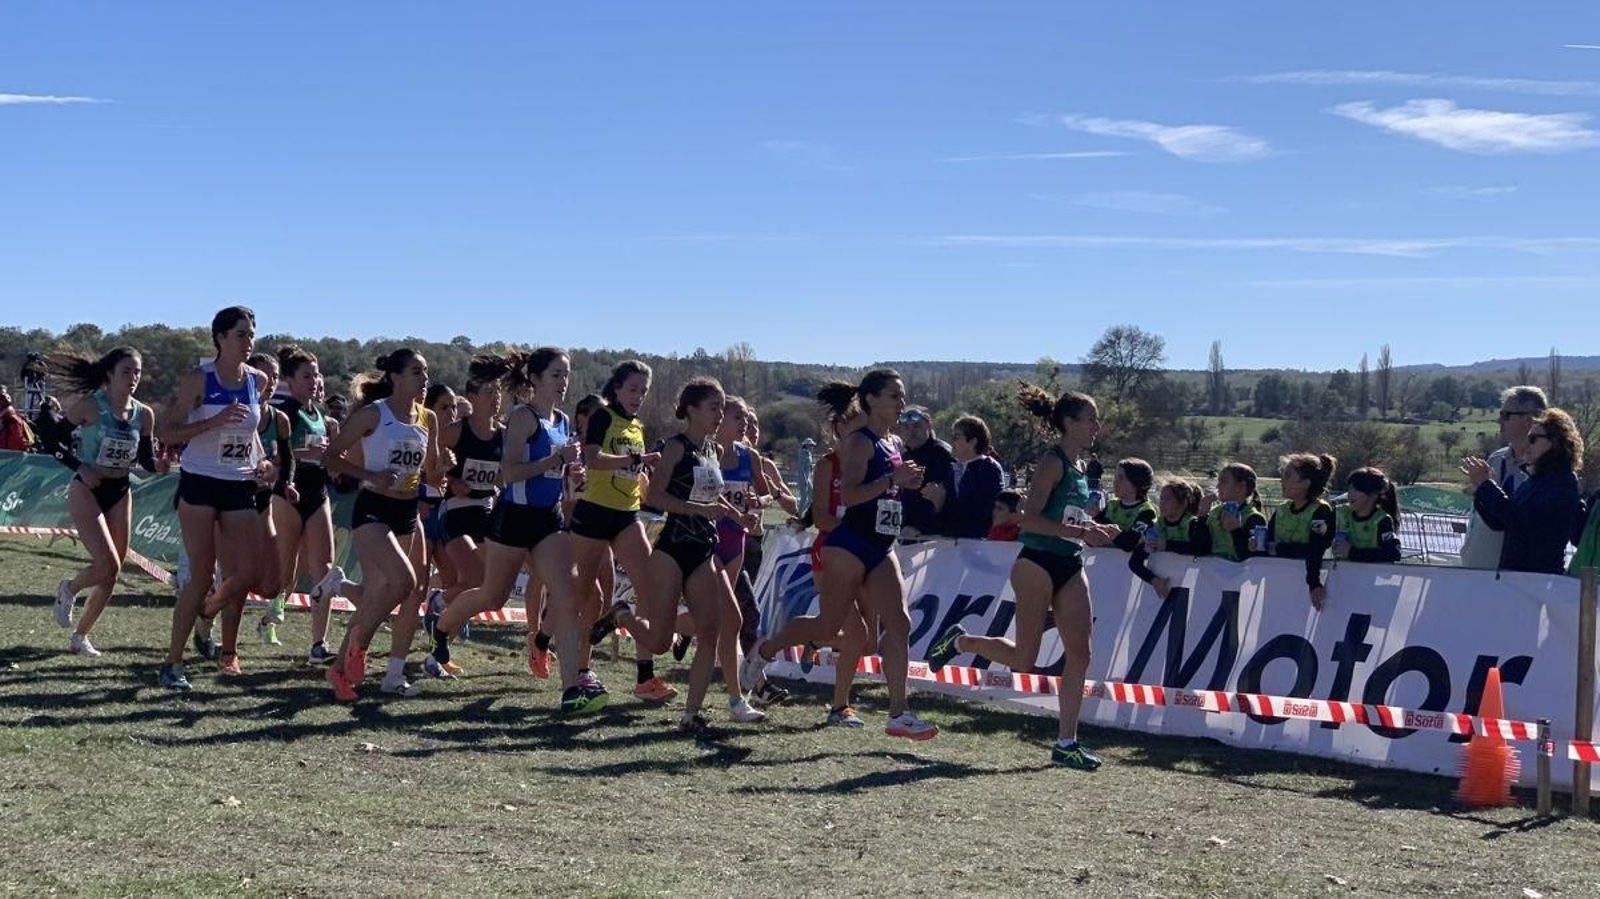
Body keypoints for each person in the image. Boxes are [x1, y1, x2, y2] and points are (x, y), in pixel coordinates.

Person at [741, 370, 940, 742]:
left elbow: (887, 493)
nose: (901, 402)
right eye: (894, 396)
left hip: (880, 545)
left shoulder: (894, 442)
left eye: (902, 395)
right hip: (846, 544)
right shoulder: (859, 444)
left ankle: (899, 713)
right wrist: (891, 482)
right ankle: (765, 649)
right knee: (830, 626)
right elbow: (849, 495)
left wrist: (910, 485)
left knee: (899, 623)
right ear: (871, 401)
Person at [927, 385, 1118, 769]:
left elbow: (1065, 519)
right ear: (1069, 423)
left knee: (1080, 653)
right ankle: (962, 641)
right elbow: (1027, 519)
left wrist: (1094, 528)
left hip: (1069, 563)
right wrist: (1082, 532)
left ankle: (1067, 742)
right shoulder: (1053, 461)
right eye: (1091, 418)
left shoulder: (1081, 467)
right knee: (1024, 659)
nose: (1097, 425)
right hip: (1035, 563)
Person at [609, 378, 764, 729]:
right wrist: (695, 509)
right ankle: (622, 615)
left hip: (703, 551)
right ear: (691, 410)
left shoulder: (715, 451)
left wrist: (737, 514)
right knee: (661, 642)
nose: (719, 414)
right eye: (714, 408)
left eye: (722, 408)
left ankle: (691, 714)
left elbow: (714, 494)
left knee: (711, 631)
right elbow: (654, 497)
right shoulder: (675, 448)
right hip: (673, 548)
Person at [314, 348, 445, 700]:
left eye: (426, 372)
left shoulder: (427, 418)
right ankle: (359, 651)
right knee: (404, 582)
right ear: (396, 378)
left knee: (379, 594)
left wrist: (442, 471)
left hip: (407, 512)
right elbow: (330, 459)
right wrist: (372, 475)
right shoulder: (375, 414)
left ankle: (341, 669)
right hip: (373, 509)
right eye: (416, 372)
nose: (424, 379)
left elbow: (428, 470)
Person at [157, 306, 271, 691]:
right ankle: (173, 663)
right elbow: (168, 432)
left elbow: (251, 433)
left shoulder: (258, 379)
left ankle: (207, 613)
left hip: (239, 483)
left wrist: (265, 462)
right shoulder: (199, 379)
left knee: (248, 574)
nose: (249, 340)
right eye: (241, 334)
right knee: (201, 575)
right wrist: (211, 422)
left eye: (252, 334)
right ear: (220, 338)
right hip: (200, 483)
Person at [44, 348, 160, 656]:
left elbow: (146, 459)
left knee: (113, 571)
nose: (134, 378)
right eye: (127, 371)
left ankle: (81, 636)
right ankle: (69, 588)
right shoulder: (91, 406)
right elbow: (49, 439)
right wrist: (79, 466)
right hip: (86, 489)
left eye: (137, 372)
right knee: (106, 563)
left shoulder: (144, 414)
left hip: (120, 491)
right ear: (109, 373)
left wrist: (157, 465)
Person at [568, 361, 662, 706]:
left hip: (627, 516)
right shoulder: (603, 416)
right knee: (585, 596)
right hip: (594, 514)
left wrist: (644, 472)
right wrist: (632, 460)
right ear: (618, 388)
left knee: (649, 585)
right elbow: (593, 459)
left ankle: (645, 675)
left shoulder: (637, 426)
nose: (638, 397)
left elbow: (632, 468)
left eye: (644, 391)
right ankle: (578, 667)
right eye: (633, 389)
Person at [266, 344, 340, 663]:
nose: (314, 380)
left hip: (317, 493)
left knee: (324, 568)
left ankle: (318, 645)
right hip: (287, 493)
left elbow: (323, 455)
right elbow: (268, 458)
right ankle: (229, 614)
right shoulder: (283, 412)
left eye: (316, 374)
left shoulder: (319, 415)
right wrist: (303, 456)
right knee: (281, 573)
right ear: (290, 380)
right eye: (306, 375)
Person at [1464, 408, 1585, 575]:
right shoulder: (1536, 480)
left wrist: (1486, 486)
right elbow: (1499, 523)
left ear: (1555, 442)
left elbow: (1520, 521)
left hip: (1537, 578)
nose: (1527, 445)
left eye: (1533, 439)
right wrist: (1481, 488)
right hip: (1519, 576)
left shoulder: (1561, 482)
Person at [436, 358, 507, 625]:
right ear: (472, 397)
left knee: (489, 587)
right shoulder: (456, 432)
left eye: (499, 391)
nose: (496, 397)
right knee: (477, 581)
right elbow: (426, 457)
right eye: (489, 392)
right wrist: (451, 479)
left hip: (486, 513)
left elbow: (505, 472)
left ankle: (442, 618)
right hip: (454, 512)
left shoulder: (504, 435)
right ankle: (437, 604)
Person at [1460, 386, 1547, 570]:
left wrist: (1485, 485)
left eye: (1506, 415)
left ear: (1529, 419)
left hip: (1515, 578)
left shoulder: (1545, 471)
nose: (1499, 420)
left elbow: (1516, 520)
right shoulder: (1496, 458)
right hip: (1476, 568)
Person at [1268, 454, 1339, 611]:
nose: (1282, 480)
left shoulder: (1321, 511)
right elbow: (1267, 545)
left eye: (1288, 476)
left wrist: (1314, 584)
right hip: (1276, 585)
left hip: (1305, 587)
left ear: (1305, 483)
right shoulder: (1281, 510)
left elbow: (1315, 548)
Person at [894, 406, 954, 539]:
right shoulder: (904, 456)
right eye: (906, 428)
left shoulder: (941, 453)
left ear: (928, 425)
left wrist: (919, 526)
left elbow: (943, 497)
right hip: (904, 531)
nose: (911, 432)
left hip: (932, 535)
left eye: (916, 426)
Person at [1142, 480, 1209, 599]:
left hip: (1189, 590)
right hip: (1160, 590)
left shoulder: (1193, 524)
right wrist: (1153, 580)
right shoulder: (1156, 526)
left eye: (1167, 499)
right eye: (1161, 498)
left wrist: (1167, 545)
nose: (1162, 503)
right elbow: (1134, 562)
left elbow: (1201, 549)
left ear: (1183, 503)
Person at [943, 415, 1005, 539]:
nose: (952, 442)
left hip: (977, 542)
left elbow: (986, 510)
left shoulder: (989, 468)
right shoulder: (952, 469)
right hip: (951, 542)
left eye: (956, 437)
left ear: (972, 441)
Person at [1199, 463, 1267, 562]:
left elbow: (1252, 559)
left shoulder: (1254, 518)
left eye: (1223, 481)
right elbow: (1200, 550)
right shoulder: (1214, 513)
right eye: (1218, 481)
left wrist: (1235, 530)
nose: (1218, 486)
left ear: (1241, 487)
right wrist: (1202, 517)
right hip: (1211, 574)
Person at [1334, 468, 1403, 564]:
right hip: (1342, 574)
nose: (1350, 494)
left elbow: (1393, 553)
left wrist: (1352, 553)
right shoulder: (1340, 512)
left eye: (1356, 489)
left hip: (1371, 575)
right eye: (1349, 488)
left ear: (1373, 495)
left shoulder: (1382, 520)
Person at [0, 385, 38, 452]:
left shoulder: (12, 421)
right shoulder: (8, 419)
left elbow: (17, 438)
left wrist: (25, 447)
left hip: (12, 452)